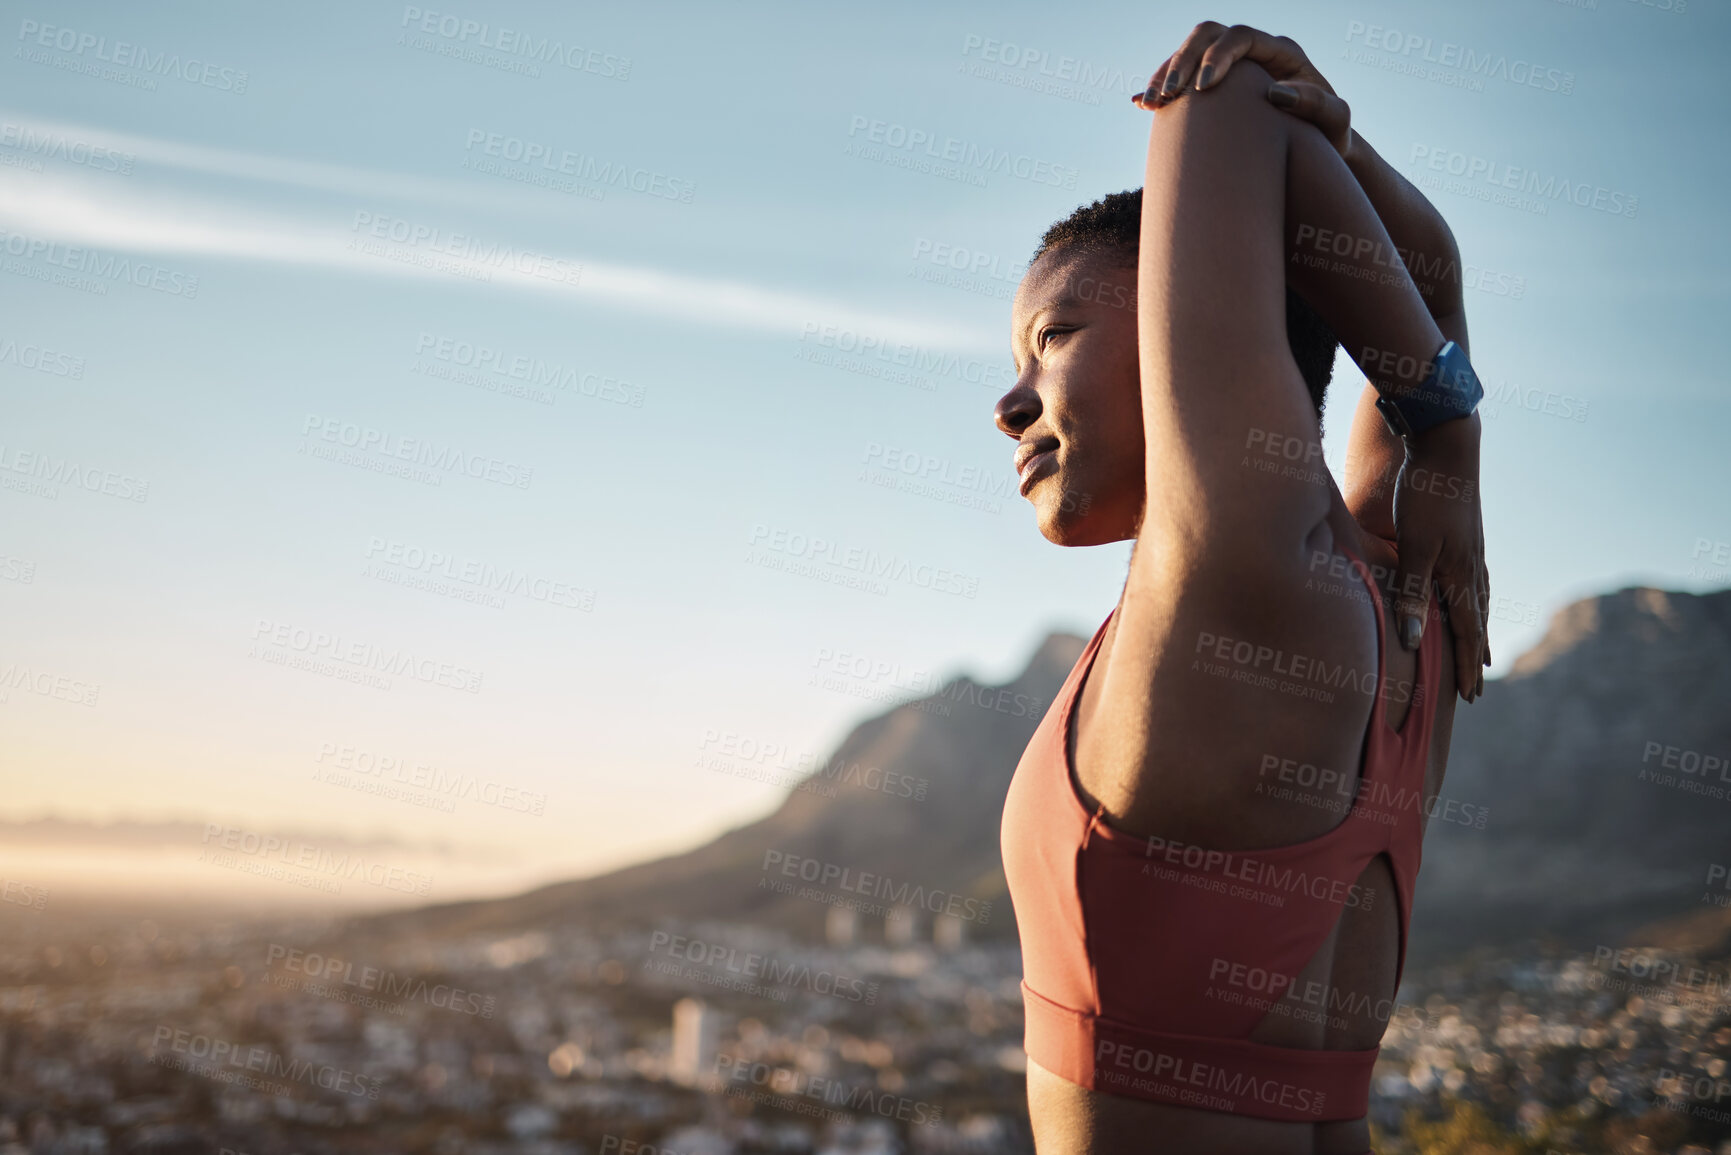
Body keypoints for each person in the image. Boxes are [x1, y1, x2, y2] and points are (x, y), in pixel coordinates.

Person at [997, 24, 1490, 1155]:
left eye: (1053, 335)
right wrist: (1346, 150)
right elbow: (1435, 275)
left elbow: (1221, 106)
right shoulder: (1412, 600)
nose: (1009, 403)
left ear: (1185, 312)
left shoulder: (1240, 580)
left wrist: (1449, 426)